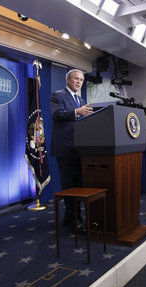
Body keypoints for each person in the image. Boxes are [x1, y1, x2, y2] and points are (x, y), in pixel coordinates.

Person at [50, 69, 93, 234]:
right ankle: (75, 220)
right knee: (70, 185)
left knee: (80, 184)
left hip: (80, 148)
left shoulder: (81, 99)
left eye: (81, 80)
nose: (79, 82)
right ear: (68, 80)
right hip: (65, 148)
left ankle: (70, 218)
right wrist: (77, 112)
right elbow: (57, 115)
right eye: (76, 79)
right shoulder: (58, 95)